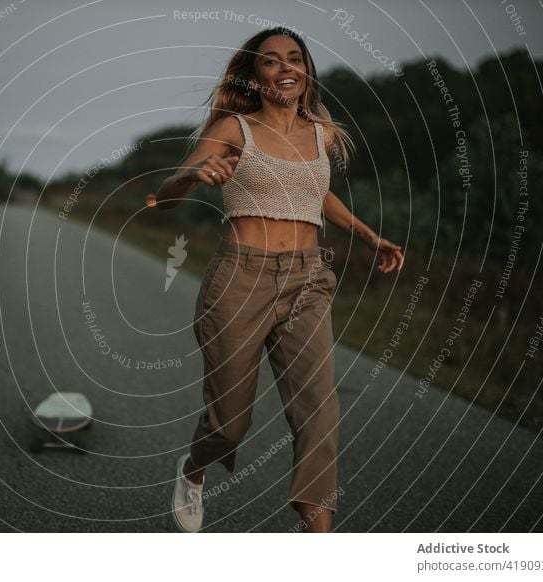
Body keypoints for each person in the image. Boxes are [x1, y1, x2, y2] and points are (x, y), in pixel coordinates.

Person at [149, 27, 404, 533]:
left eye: (295, 59)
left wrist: (368, 235)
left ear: (306, 70)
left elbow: (315, 194)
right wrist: (191, 177)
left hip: (308, 280)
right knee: (228, 425)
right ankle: (194, 470)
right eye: (271, 61)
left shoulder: (322, 134)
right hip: (240, 279)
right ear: (255, 75)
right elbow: (163, 196)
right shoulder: (232, 129)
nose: (285, 68)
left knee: (319, 412)